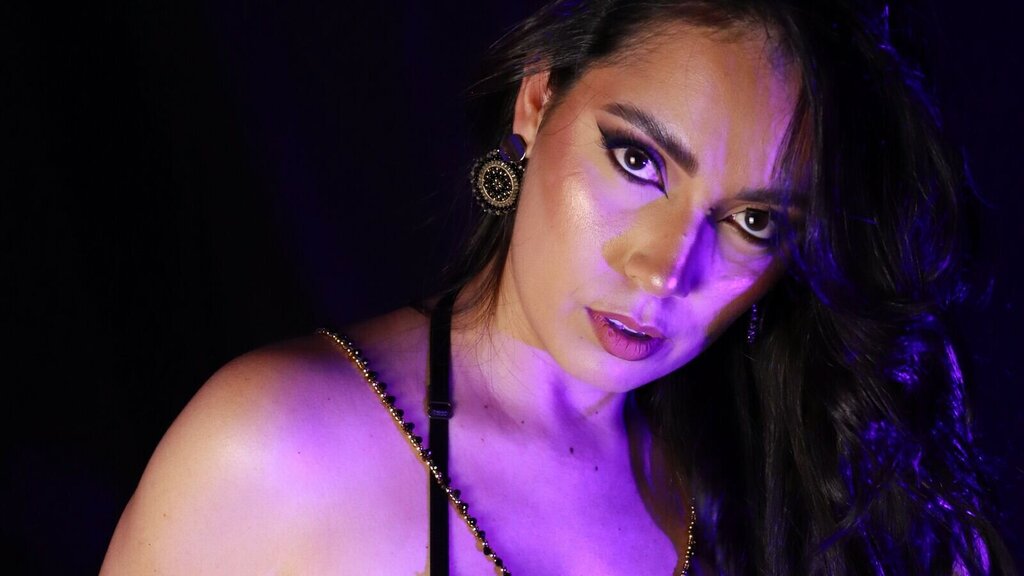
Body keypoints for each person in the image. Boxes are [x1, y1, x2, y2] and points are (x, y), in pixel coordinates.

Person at [100, 0, 1014, 574]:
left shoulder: (768, 491)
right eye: (638, 161)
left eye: (750, 221)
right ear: (537, 103)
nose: (663, 269)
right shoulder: (279, 445)